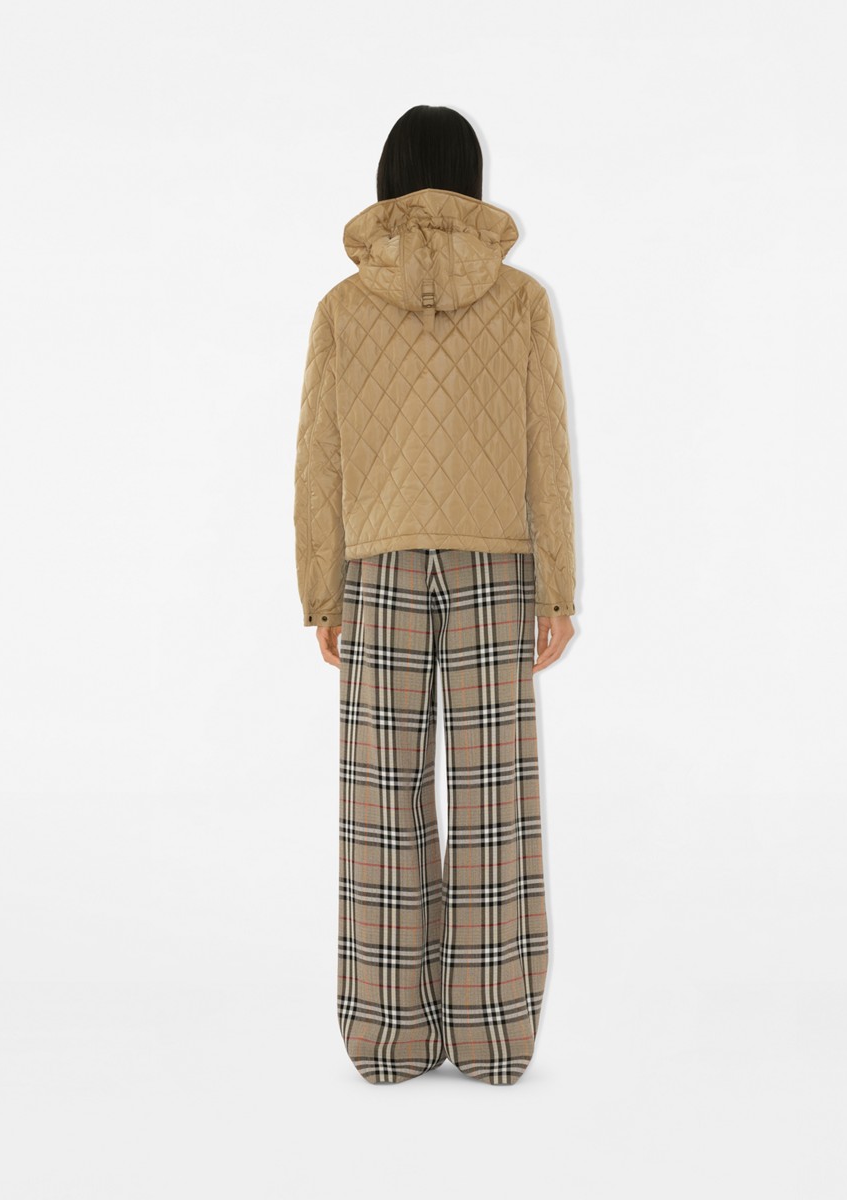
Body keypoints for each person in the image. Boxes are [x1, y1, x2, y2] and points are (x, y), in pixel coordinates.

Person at [293, 104, 578, 1086]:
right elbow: (547, 447)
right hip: (498, 565)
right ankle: (494, 1038)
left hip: (378, 570)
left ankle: (388, 1038)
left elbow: (319, 460)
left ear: (387, 179)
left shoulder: (341, 307)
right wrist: (558, 587)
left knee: (382, 802)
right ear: (469, 178)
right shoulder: (522, 298)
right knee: (495, 803)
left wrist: (322, 593)